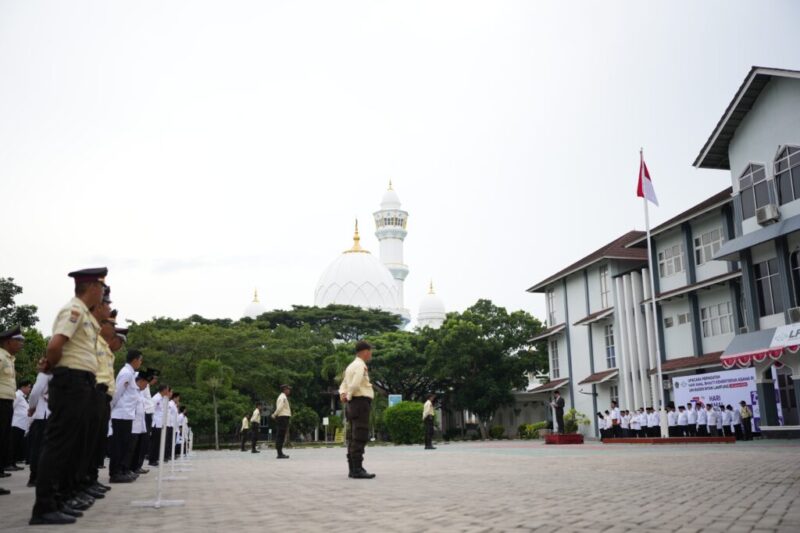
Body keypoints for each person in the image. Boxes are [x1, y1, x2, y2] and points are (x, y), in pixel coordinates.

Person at [31, 267, 107, 525]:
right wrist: (50, 366)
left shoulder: (84, 313)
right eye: (102, 287)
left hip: (81, 381)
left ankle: (60, 499)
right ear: (93, 287)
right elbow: (55, 345)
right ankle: (45, 506)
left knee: (72, 444)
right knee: (60, 444)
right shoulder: (73, 310)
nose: (103, 293)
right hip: (70, 381)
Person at [340, 340, 376, 479]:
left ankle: (353, 468)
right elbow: (354, 384)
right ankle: (357, 469)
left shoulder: (350, 366)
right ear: (365, 352)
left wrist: (343, 394)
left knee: (353, 436)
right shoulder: (360, 365)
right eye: (370, 351)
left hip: (352, 404)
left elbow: (344, 384)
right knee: (360, 435)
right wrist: (348, 395)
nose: (371, 353)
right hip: (360, 402)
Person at [109, 349, 143, 483]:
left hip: (127, 415)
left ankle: (122, 470)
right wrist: (110, 409)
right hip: (121, 414)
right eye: (140, 360)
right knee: (119, 446)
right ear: (135, 360)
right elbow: (117, 393)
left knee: (124, 445)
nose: (140, 363)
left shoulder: (130, 373)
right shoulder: (126, 373)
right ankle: (115, 473)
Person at [0, 325, 24, 495]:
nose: (21, 344)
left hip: (6, 403)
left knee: (3, 441)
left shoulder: (8, 358)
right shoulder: (1, 357)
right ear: (8, 342)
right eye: (18, 341)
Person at [27, 357, 51, 488]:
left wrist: (32, 407)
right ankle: (35, 476)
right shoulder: (47, 375)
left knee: (40, 448)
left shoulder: (45, 375)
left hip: (45, 415)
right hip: (44, 415)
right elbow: (35, 393)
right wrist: (32, 407)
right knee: (40, 448)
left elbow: (35, 393)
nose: (38, 365)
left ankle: (38, 476)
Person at [128, 372, 150, 475]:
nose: (145, 387)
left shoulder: (139, 392)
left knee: (137, 448)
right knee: (130, 449)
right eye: (145, 385)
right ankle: (126, 469)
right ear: (140, 381)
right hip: (132, 424)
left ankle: (134, 467)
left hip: (139, 425)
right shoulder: (132, 390)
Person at [9, 379, 32, 470]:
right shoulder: (17, 395)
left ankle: (13, 463)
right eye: (29, 387)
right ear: (23, 387)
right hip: (16, 424)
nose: (30, 389)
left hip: (21, 425)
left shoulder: (22, 397)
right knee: (13, 445)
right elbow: (12, 407)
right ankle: (10, 463)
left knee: (17, 446)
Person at [148, 385, 170, 466]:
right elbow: (151, 410)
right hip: (156, 423)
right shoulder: (156, 398)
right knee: (154, 443)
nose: (168, 392)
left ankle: (155, 458)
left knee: (158, 443)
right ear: (164, 390)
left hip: (161, 424)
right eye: (167, 390)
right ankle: (152, 459)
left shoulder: (162, 398)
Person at [272, 385, 292, 459]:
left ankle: (280, 453)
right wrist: (274, 414)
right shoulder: (282, 397)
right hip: (282, 418)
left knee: (281, 435)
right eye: (288, 389)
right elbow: (280, 407)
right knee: (280, 435)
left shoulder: (283, 397)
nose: (289, 390)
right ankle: (279, 453)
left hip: (283, 417)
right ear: (284, 390)